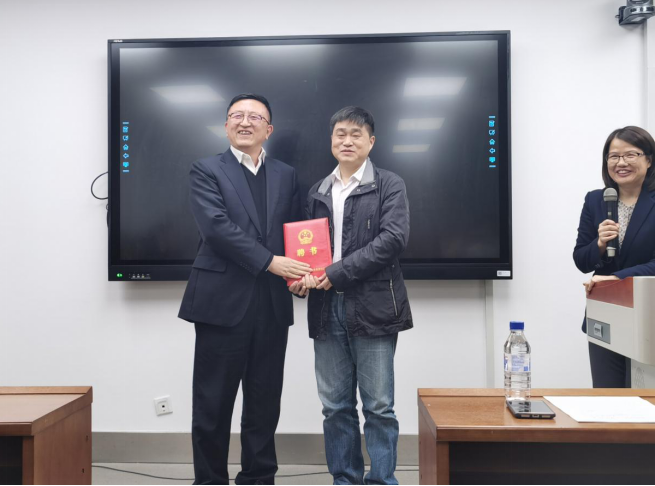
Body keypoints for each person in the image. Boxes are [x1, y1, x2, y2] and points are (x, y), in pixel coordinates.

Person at [179, 93, 311, 485]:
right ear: (226, 126)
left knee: (264, 403)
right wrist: (272, 262)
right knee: (212, 405)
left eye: (255, 117)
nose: (245, 121)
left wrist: (300, 274)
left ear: (268, 129)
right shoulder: (206, 170)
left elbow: (295, 232)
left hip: (271, 305)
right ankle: (210, 481)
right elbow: (216, 228)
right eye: (237, 115)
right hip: (221, 304)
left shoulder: (286, 174)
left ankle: (259, 478)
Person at [290, 106, 413, 485]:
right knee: (335, 407)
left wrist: (335, 273)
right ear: (331, 141)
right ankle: (344, 479)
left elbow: (393, 240)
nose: (347, 141)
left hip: (374, 307)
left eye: (356, 134)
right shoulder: (318, 191)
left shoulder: (389, 184)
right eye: (340, 134)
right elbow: (307, 250)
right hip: (325, 308)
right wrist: (300, 278)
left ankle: (382, 481)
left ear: (371, 142)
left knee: (379, 407)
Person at [573, 125, 655, 388]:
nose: (621, 163)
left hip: (649, 312)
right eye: (614, 156)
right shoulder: (595, 200)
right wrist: (599, 244)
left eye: (630, 155)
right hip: (606, 313)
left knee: (644, 398)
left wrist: (617, 278)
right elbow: (581, 260)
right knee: (607, 396)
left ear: (649, 159)